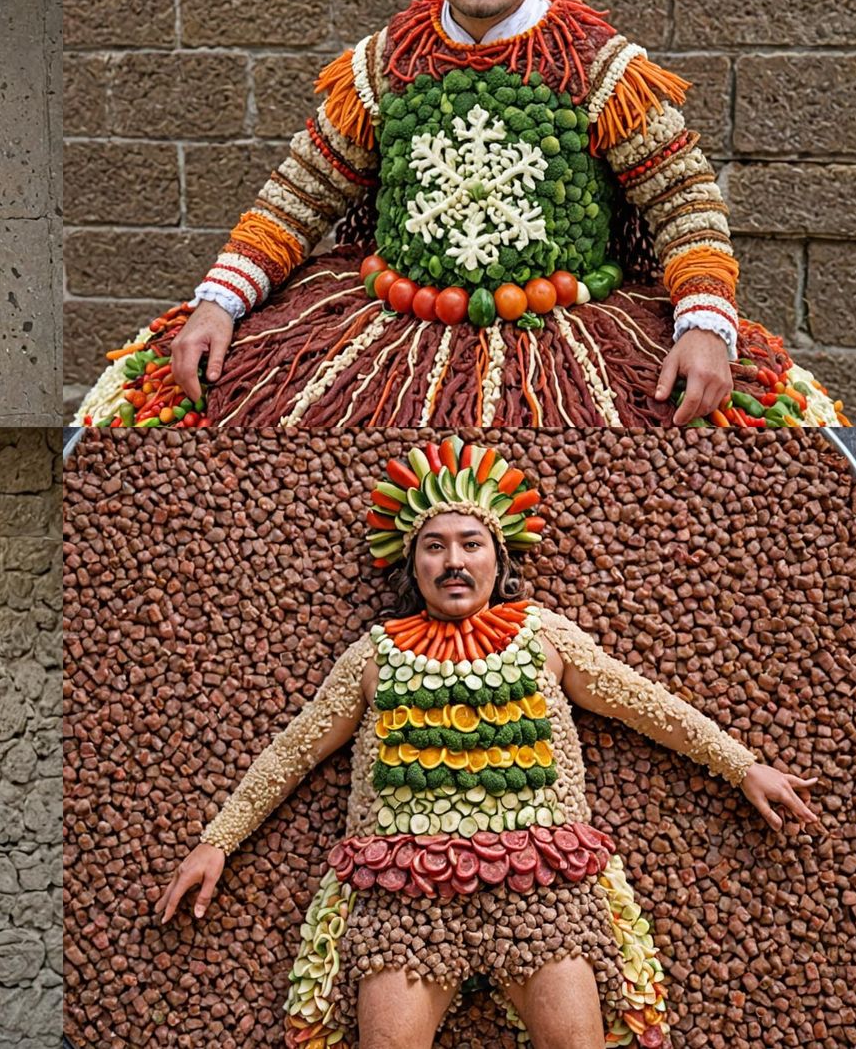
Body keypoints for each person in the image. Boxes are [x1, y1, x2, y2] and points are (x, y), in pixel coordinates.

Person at [75, 0, 846, 430]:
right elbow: (298, 193)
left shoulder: (599, 68)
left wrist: (705, 325)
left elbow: (684, 204)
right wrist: (218, 303)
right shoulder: (385, 65)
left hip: (572, 330)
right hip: (388, 324)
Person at [154, 437, 821, 1048]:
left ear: (498, 558)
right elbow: (293, 751)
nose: (452, 561)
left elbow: (647, 705)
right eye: (434, 545)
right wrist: (218, 841)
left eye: (470, 543)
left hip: (541, 891)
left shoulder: (544, 637)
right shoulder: (374, 657)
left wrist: (742, 767)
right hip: (403, 898)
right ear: (411, 564)